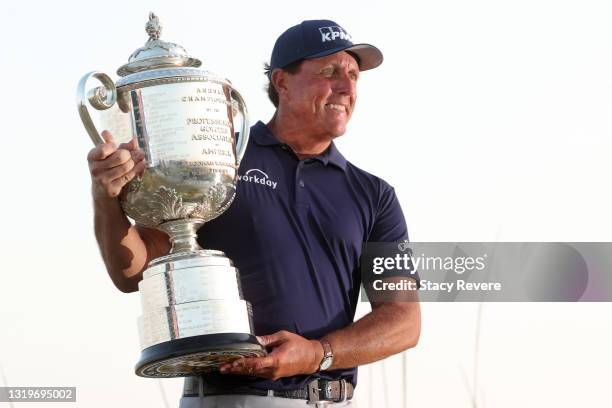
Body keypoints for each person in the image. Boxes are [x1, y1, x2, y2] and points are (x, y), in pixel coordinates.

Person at [87, 19, 421, 408]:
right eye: (330, 73)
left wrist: (318, 353)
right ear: (281, 82)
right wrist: (105, 198)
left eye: (353, 75)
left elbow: (403, 321)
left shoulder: (373, 194)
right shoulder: (215, 161)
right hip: (231, 398)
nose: (346, 87)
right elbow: (134, 273)